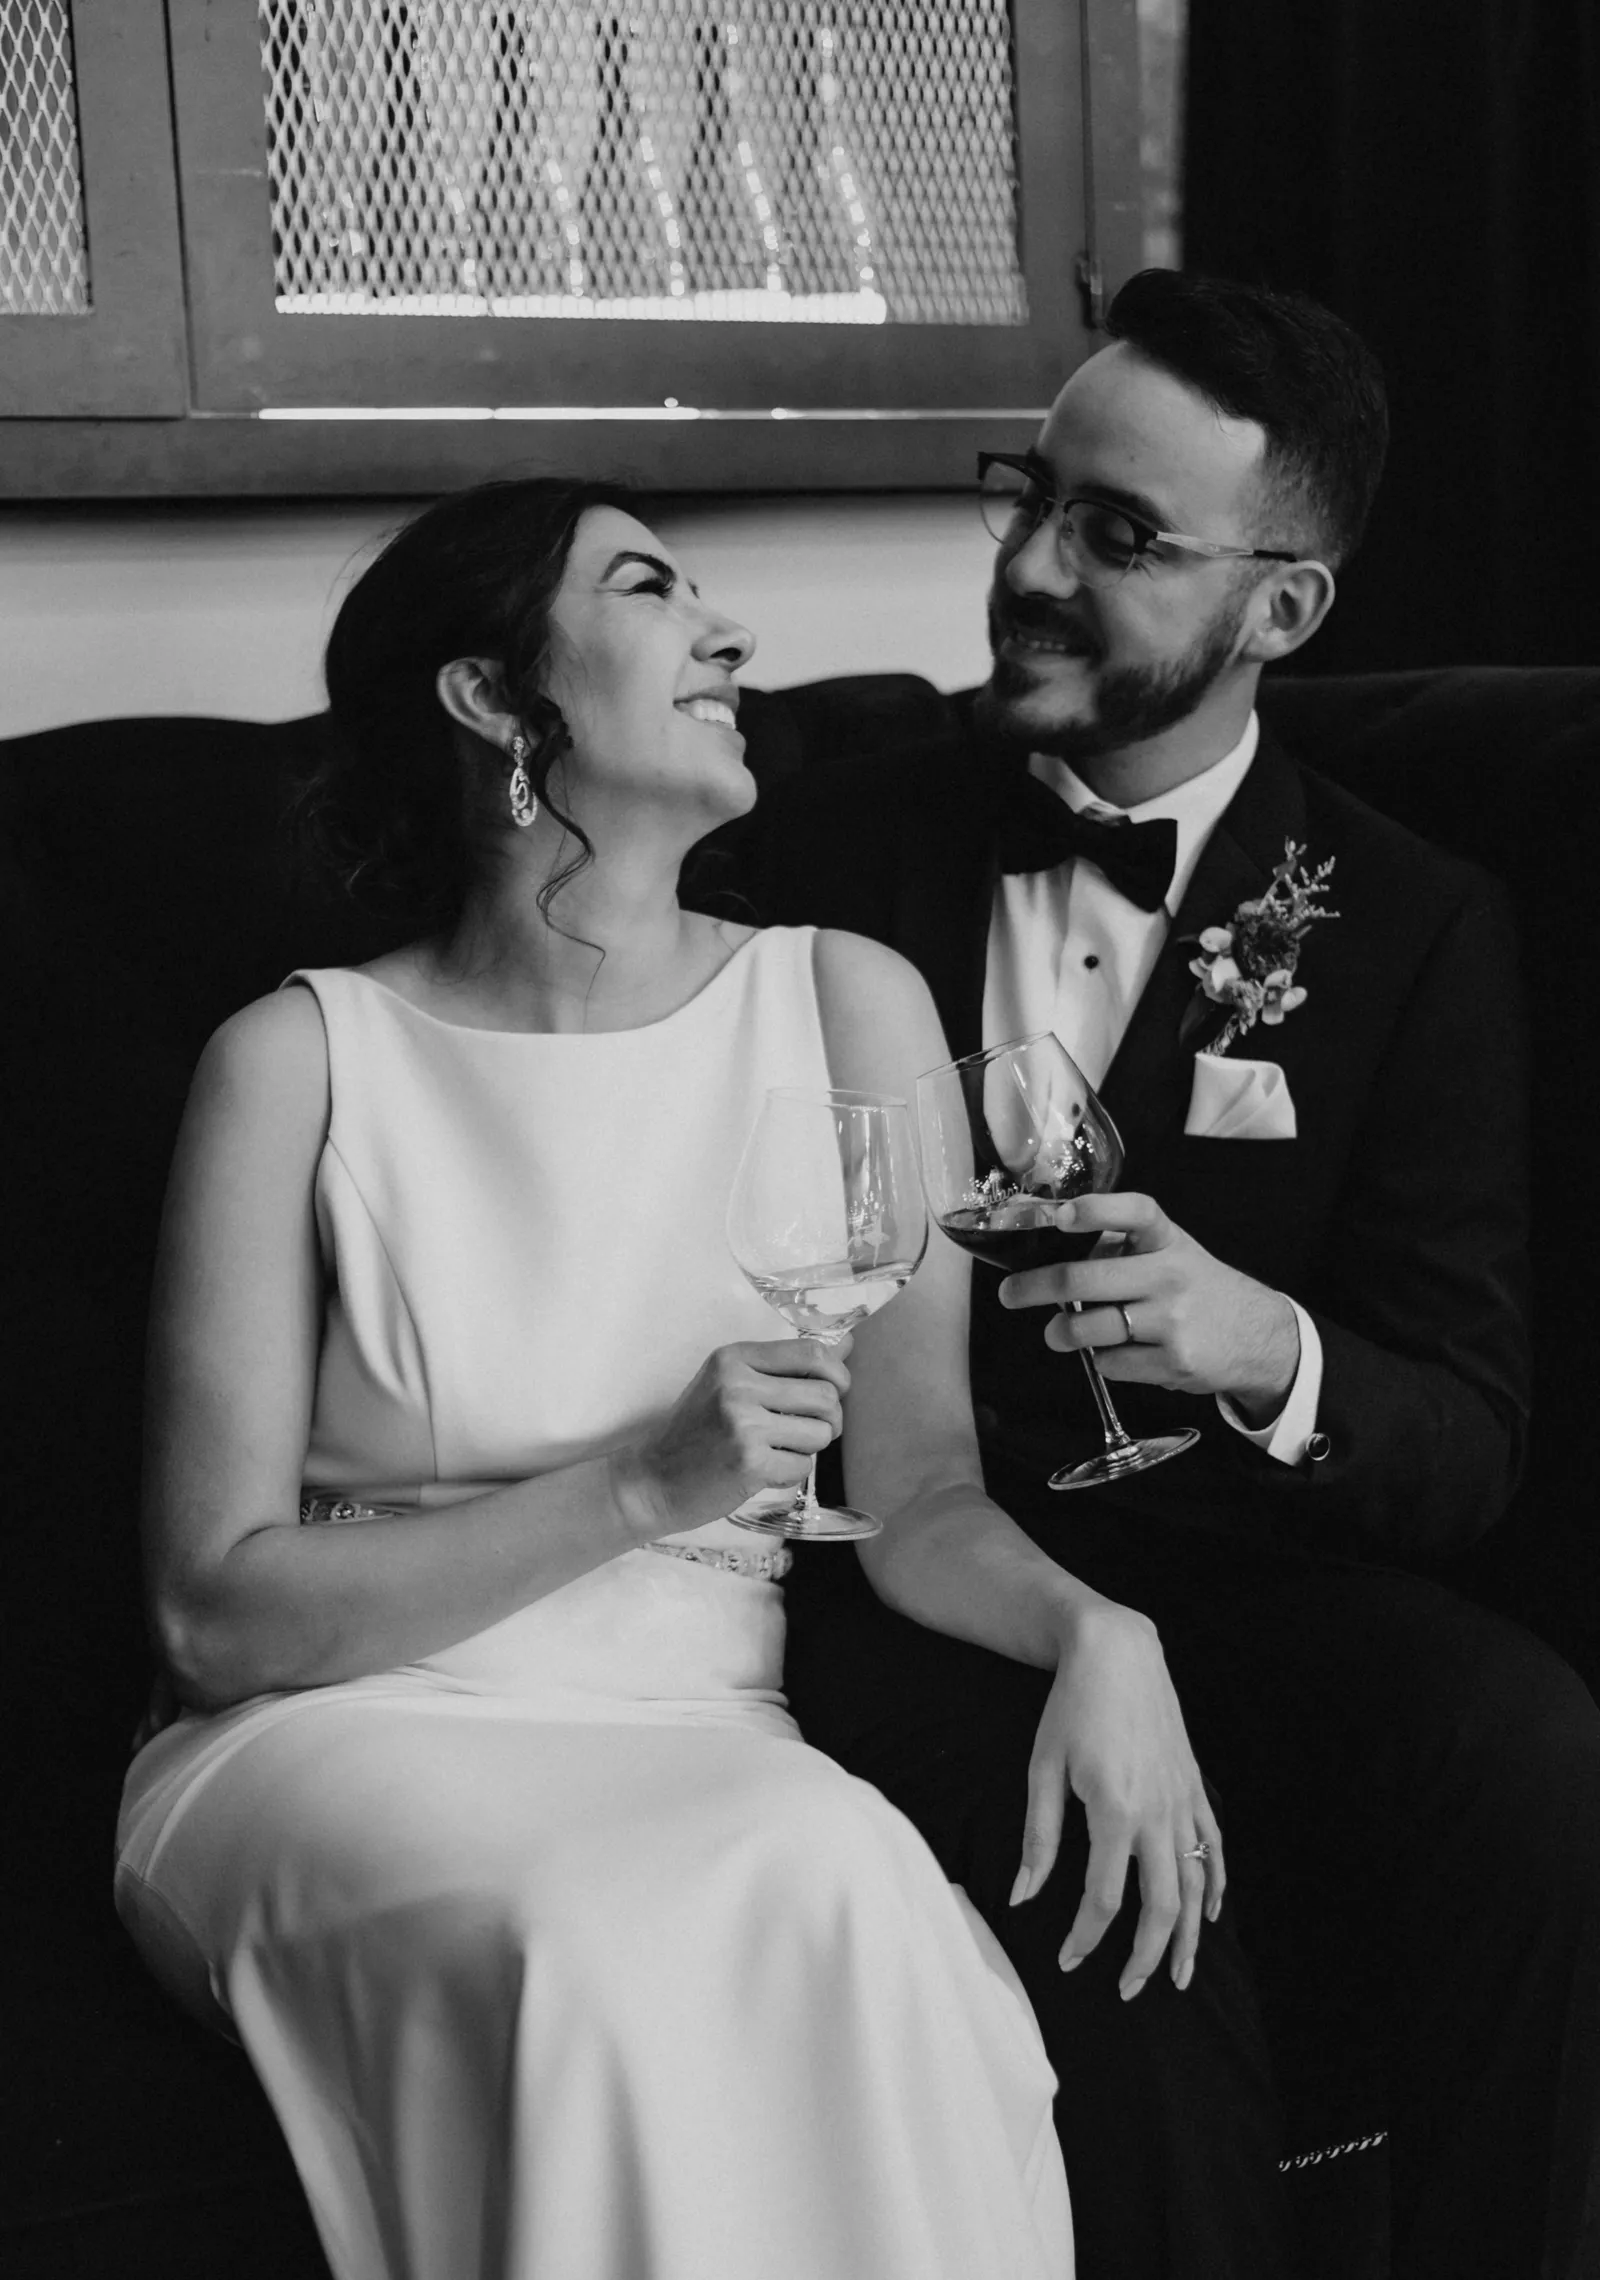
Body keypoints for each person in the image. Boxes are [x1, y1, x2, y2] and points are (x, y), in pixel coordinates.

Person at [114, 478, 1080, 2280]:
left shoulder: (849, 1004)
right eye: (652, 589)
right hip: (341, 1729)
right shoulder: (299, 1061)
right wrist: (643, 1484)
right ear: (494, 699)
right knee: (583, 1936)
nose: (730, 634)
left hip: (700, 1722)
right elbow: (211, 1619)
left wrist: (1099, 1634)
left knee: (856, 1901)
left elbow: (925, 1487)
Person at [745, 269, 1600, 2280]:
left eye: (1116, 537)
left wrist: (1263, 1343)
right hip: (914, 1580)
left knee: (1533, 1752)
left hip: (1241, 1564)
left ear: (1278, 609)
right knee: (1129, 1913)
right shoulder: (810, 852)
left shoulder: (1404, 923)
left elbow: (1460, 1437)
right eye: (1027, 497)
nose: (1031, 566)